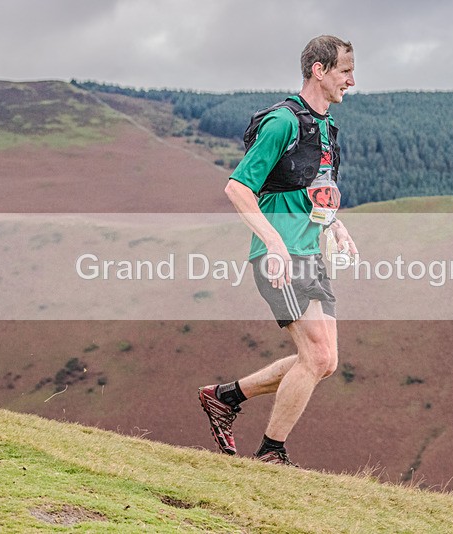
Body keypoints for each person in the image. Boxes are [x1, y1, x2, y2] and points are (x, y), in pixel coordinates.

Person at [198, 35, 358, 466]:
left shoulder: (323, 126)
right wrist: (272, 242)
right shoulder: (282, 122)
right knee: (318, 355)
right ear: (319, 70)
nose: (353, 80)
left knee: (324, 363)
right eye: (345, 71)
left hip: (311, 253)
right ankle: (271, 453)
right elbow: (237, 188)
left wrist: (336, 225)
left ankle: (225, 397)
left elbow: (309, 190)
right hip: (281, 259)